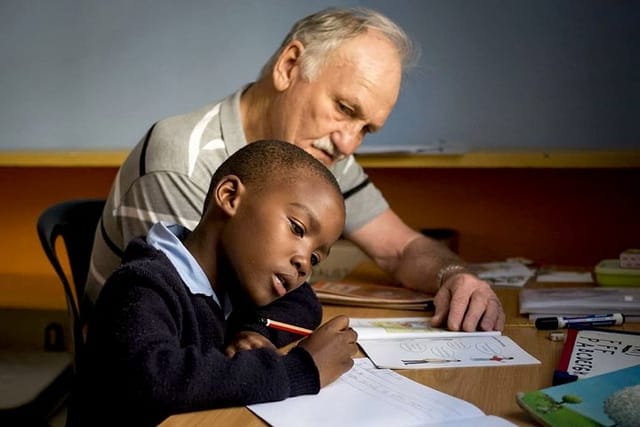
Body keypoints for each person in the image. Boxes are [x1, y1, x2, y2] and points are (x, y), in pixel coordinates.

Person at [86, 6, 505, 332]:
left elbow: (400, 248)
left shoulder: (317, 160)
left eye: (367, 129)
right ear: (289, 67)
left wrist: (456, 275)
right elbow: (202, 327)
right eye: (343, 108)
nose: (348, 143)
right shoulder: (183, 161)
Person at [67, 140, 358, 427]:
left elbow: (303, 302)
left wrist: (253, 331)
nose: (304, 263)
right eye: (297, 228)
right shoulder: (143, 285)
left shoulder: (238, 278)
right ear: (230, 196)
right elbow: (155, 381)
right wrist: (301, 370)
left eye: (316, 258)